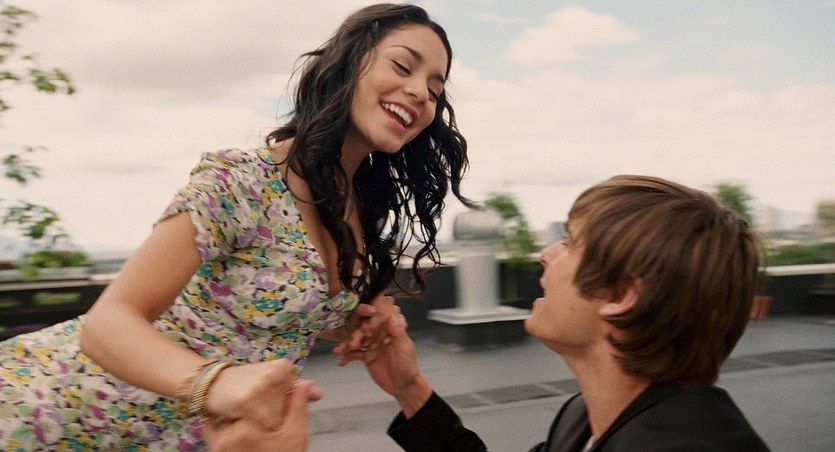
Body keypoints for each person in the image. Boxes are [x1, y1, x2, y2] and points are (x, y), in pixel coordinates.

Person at [0, 3, 471, 450]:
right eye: (403, 66)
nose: (419, 93)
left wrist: (353, 324)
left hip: (178, 437)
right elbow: (106, 324)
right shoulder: (242, 182)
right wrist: (216, 382)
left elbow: (278, 308)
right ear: (348, 64)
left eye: (434, 90)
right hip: (49, 412)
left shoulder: (358, 213)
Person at [356, 175, 770, 451]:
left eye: (570, 242)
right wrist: (409, 388)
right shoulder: (585, 416)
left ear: (621, 295)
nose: (546, 254)